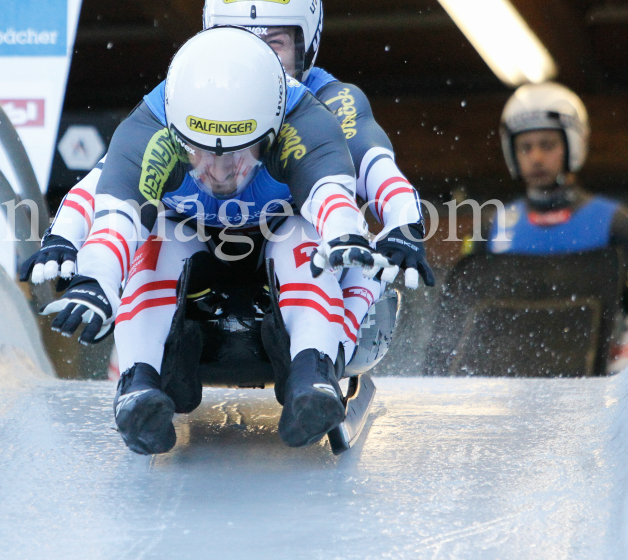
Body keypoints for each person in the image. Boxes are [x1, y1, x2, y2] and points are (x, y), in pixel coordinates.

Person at [22, 0, 433, 362]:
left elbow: (376, 165)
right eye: (237, 35)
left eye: (274, 43)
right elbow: (113, 177)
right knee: (158, 238)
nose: (253, 57)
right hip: (194, 251)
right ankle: (147, 366)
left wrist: (403, 224)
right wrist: (69, 242)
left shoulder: (328, 104)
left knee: (332, 241)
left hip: (292, 248)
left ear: (307, 44)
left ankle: (324, 352)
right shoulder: (178, 99)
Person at [39, 26, 391, 454]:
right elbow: (117, 211)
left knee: (304, 234)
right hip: (192, 259)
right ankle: (142, 380)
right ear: (176, 132)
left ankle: (310, 370)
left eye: (238, 154)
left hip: (277, 255)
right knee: (158, 236)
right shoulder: (148, 131)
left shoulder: (308, 120)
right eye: (200, 151)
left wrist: (347, 234)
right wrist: (97, 279)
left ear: (272, 131)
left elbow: (331, 194)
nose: (220, 173)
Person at [467, 81, 628, 372]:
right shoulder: (490, 227)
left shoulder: (617, 225)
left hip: (594, 393)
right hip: (507, 392)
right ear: (511, 153)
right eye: (525, 147)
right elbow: (466, 319)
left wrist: (617, 386)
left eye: (548, 145)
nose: (536, 157)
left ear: (573, 144)